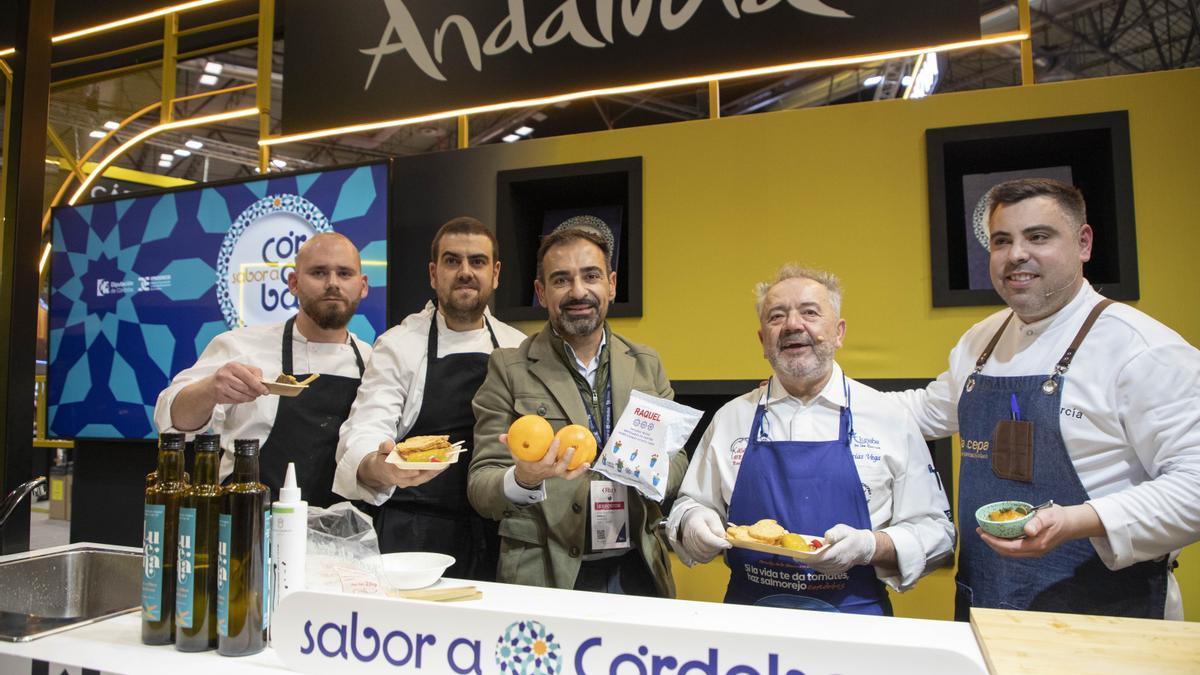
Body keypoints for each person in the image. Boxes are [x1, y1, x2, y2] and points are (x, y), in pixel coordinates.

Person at [891, 178, 1200, 620]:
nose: (1017, 254)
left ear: (1084, 243)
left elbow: (1195, 484)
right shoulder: (982, 339)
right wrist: (823, 389)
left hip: (1107, 613)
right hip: (987, 602)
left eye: (1038, 236)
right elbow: (924, 412)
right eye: (1002, 241)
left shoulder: (1144, 349)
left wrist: (1080, 520)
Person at [666, 265, 954, 615]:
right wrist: (692, 521)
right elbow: (690, 503)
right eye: (776, 316)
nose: (792, 325)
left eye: (810, 312)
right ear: (762, 340)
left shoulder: (888, 418)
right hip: (749, 623)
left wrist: (870, 546)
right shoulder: (731, 418)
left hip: (855, 627)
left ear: (839, 332)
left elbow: (937, 533)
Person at [468, 227, 689, 596]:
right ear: (541, 293)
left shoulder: (647, 364)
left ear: (611, 284)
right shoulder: (508, 368)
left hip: (637, 571)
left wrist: (649, 469)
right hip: (545, 574)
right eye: (561, 280)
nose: (578, 292)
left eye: (591, 276)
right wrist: (523, 478)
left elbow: (677, 458)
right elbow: (480, 485)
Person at [333, 217, 526, 580]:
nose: (465, 272)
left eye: (478, 262)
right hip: (413, 534)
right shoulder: (399, 345)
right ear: (434, 274)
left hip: (499, 534)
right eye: (453, 261)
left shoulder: (518, 347)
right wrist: (380, 465)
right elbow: (366, 427)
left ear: (495, 273)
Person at [154, 232, 371, 506]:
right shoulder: (240, 345)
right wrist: (209, 390)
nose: (332, 284)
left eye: (344, 273)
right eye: (318, 272)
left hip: (340, 535)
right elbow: (170, 421)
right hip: (247, 525)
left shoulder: (373, 362)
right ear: (293, 282)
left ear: (362, 286)